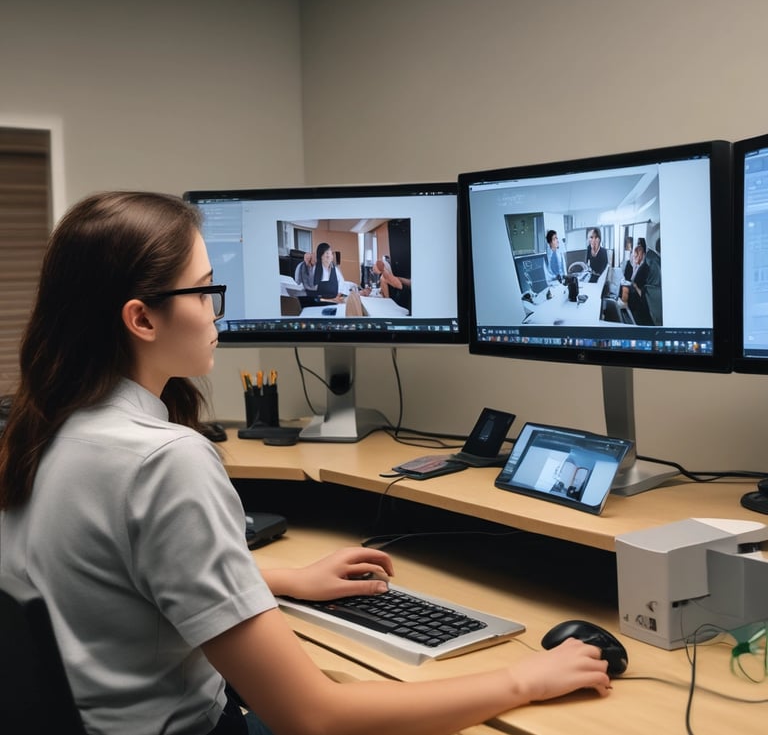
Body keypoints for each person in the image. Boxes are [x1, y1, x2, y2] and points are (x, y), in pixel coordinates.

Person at [0, 191, 611, 735]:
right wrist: (525, 679)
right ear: (141, 318)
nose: (219, 310)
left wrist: (280, 581)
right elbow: (316, 717)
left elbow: (111, 580)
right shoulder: (164, 461)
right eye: (207, 290)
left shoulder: (42, 429)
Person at [621, 239, 653, 326]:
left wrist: (634, 285)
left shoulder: (645, 268)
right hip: (632, 296)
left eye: (637, 256)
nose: (635, 258)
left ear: (643, 255)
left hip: (639, 301)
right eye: (634, 255)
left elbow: (641, 291)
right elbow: (628, 279)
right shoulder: (632, 265)